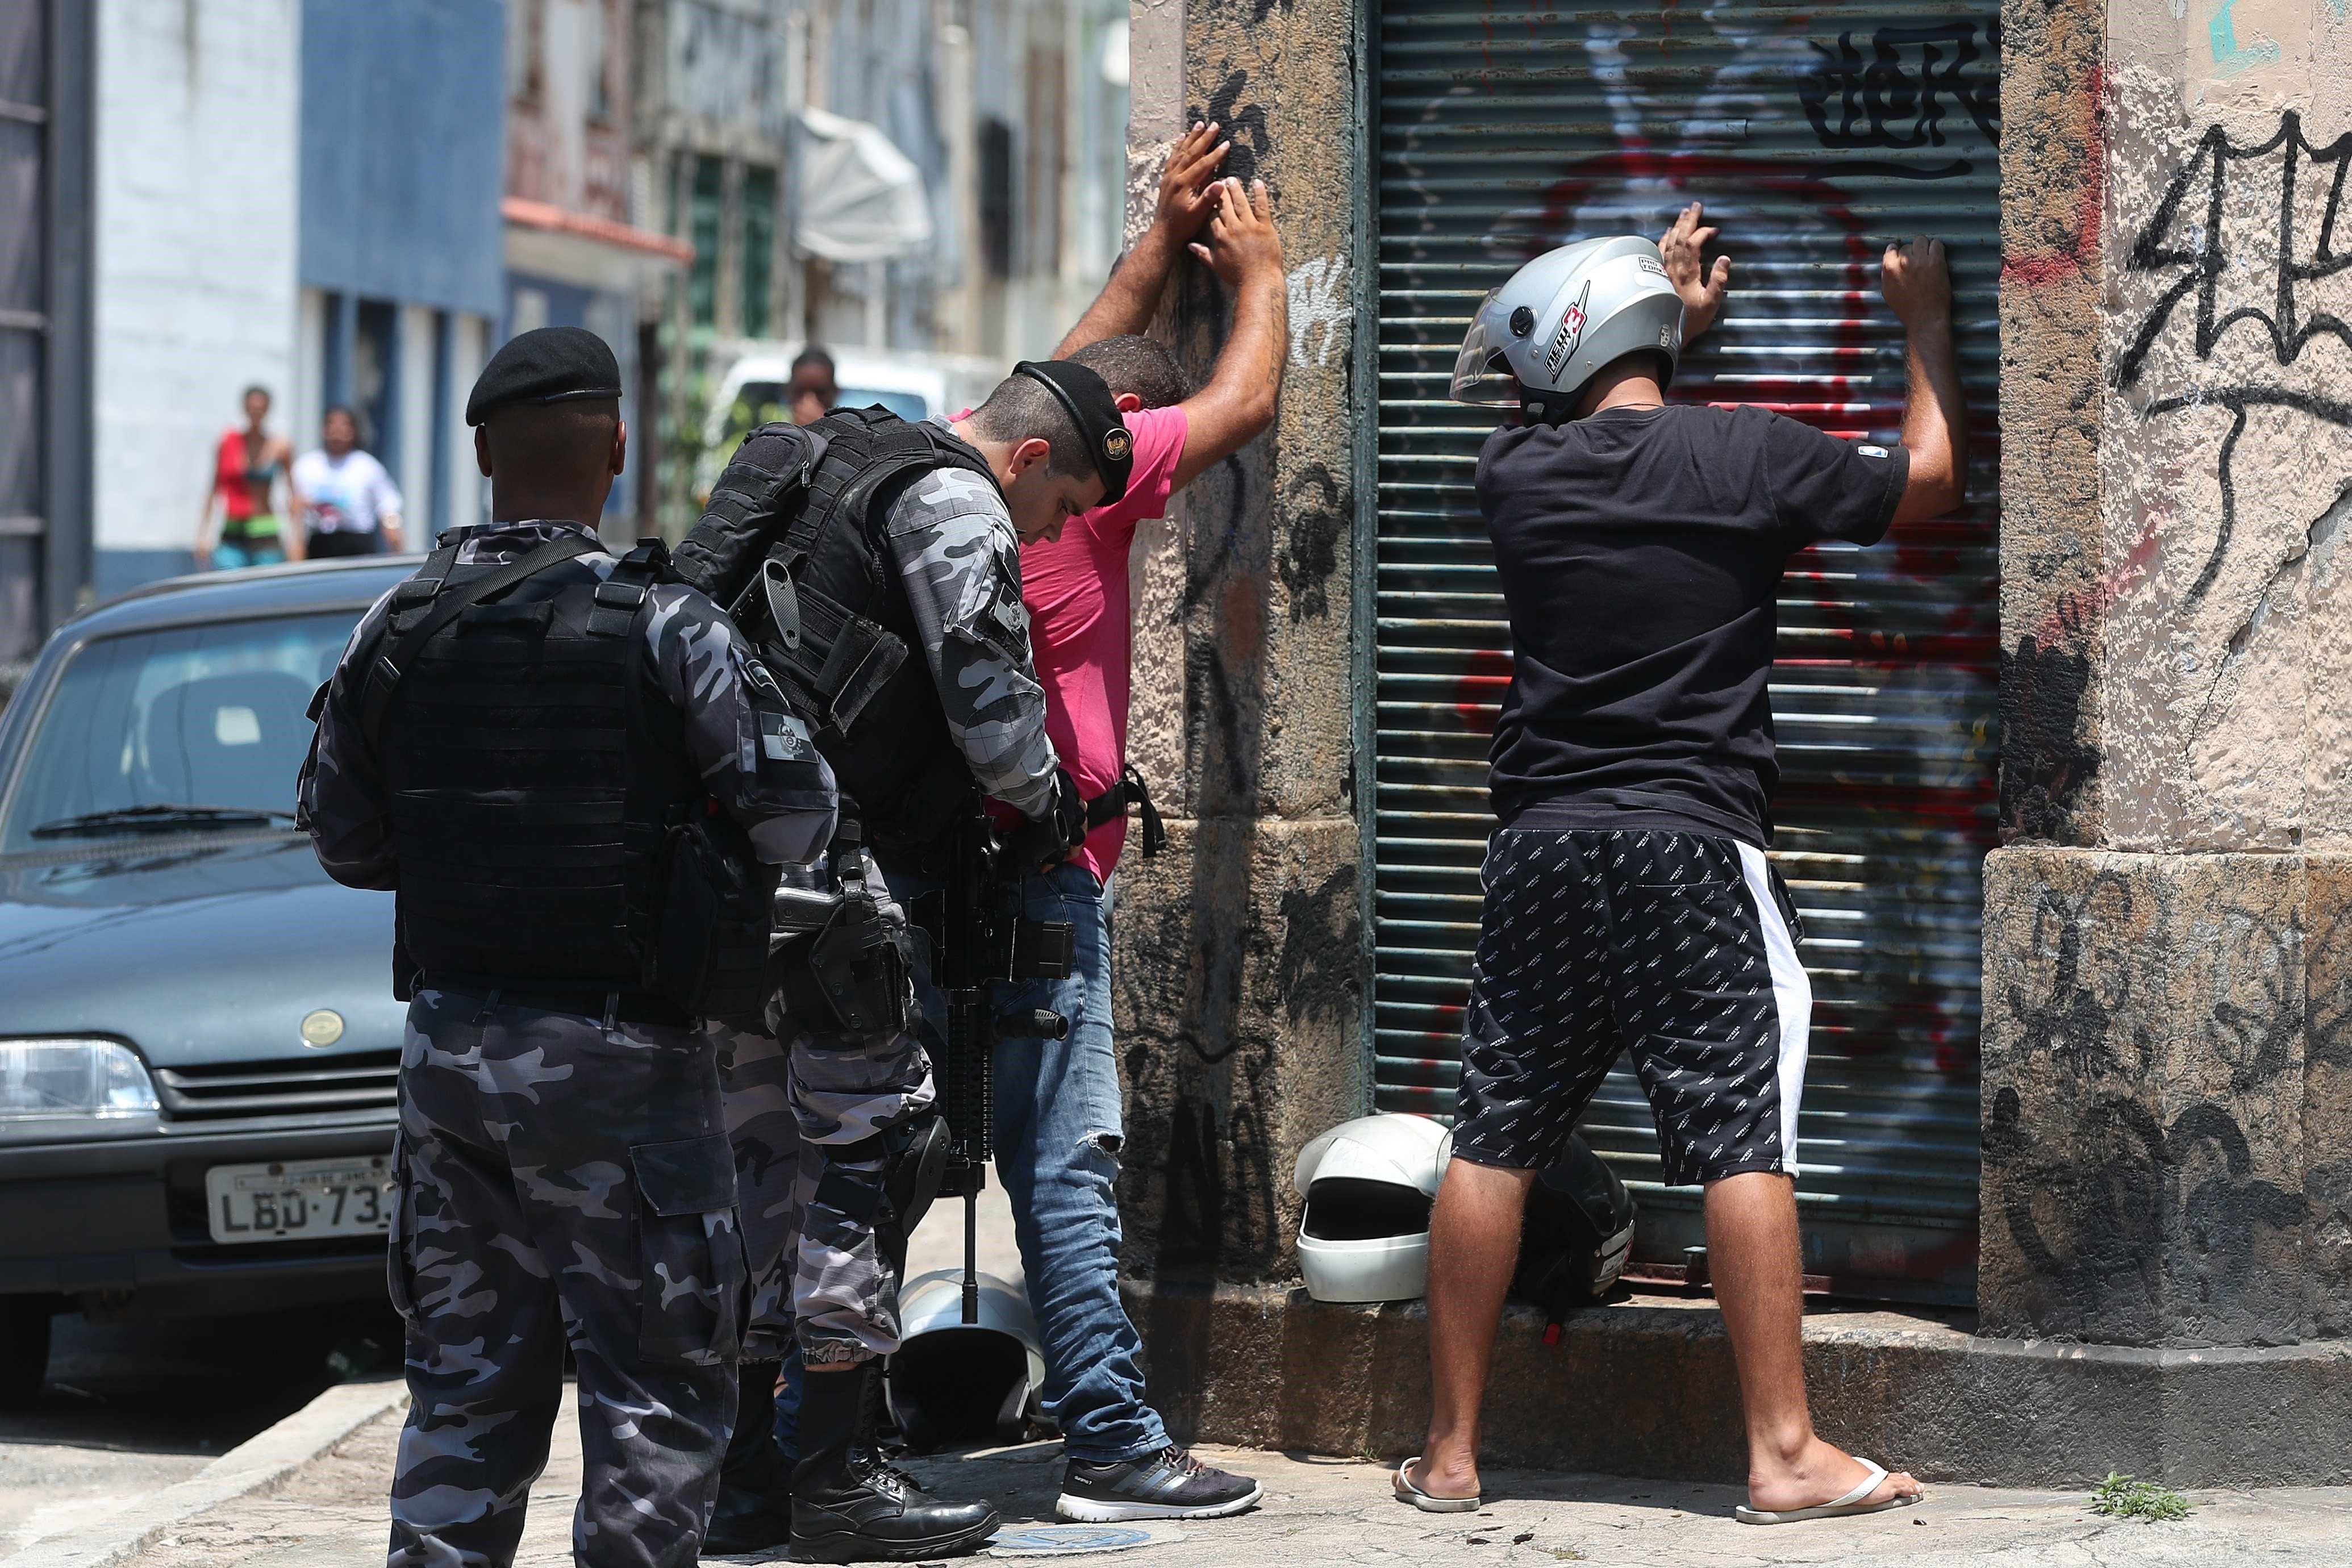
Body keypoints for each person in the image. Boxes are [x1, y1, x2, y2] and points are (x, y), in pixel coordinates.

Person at [1396, 209, 1966, 1524]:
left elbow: (1598, 427)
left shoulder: (1512, 479)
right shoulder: (1745, 454)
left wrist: (1665, 322)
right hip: (1686, 845)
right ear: (1649, 331)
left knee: (1493, 1134)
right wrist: (1923, 322)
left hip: (1537, 849)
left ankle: (1452, 1454)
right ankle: (1781, 1453)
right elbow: (1927, 478)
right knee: (1735, 1135)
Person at [298, 326, 839, 1568]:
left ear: (482, 454)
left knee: (463, 1401)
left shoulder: (397, 623)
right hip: (626, 1071)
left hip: (451, 1063)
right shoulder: (665, 628)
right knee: (650, 1406)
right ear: (618, 452)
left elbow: (342, 838)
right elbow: (800, 812)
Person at [699, 361, 1115, 1561]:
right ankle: (835, 1475)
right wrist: (1046, 807)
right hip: (835, 888)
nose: (1052, 534)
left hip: (733, 885)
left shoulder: (837, 466)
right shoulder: (957, 499)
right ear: (1031, 461)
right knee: (870, 1154)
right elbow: (993, 719)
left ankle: (744, 1482)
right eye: (1063, 508)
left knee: (761, 1163)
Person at [982, 146, 1291, 1523]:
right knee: (1064, 1170)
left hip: (933, 882)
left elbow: (1066, 364)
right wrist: (1268, 273)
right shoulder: (1096, 485)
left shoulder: (980, 462)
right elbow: (1245, 400)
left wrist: (1154, 244)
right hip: (1042, 889)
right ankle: (1108, 1437)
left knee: (881, 1169)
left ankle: (800, 1443)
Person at [197, 385, 298, 570]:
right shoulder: (228, 443)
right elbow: (214, 489)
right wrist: (203, 535)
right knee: (228, 586)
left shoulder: (279, 446)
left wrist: (296, 540)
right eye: (252, 408)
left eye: (261, 409)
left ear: (268, 409)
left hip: (265, 530)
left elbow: (294, 496)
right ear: (244, 408)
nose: (256, 413)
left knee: (264, 591)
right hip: (233, 530)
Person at [295, 406, 405, 558]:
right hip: (320, 542)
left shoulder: (367, 466)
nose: (337, 433)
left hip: (357, 541)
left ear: (353, 431)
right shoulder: (308, 465)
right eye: (332, 426)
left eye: (344, 427)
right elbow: (296, 508)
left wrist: (394, 539)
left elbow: (388, 506)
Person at [789, 347, 839, 426]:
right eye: (800, 392)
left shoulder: (854, 434)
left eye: (820, 392)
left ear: (835, 392)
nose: (809, 402)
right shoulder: (772, 433)